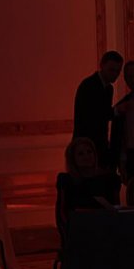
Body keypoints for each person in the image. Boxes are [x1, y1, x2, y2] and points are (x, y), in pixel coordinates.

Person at [56, 136, 121, 242]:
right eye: (80, 154)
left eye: (89, 152)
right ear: (73, 159)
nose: (86, 156)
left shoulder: (109, 180)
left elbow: (116, 210)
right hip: (78, 235)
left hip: (105, 233)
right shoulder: (67, 181)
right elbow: (61, 215)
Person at [73, 51, 123, 171]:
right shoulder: (88, 85)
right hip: (86, 145)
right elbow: (93, 116)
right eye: (112, 70)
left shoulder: (108, 88)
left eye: (118, 71)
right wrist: (116, 110)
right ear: (102, 65)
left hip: (97, 145)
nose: (115, 74)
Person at [110, 61, 134, 203]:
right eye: (129, 76)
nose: (132, 79)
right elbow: (122, 140)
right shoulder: (122, 107)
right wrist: (122, 163)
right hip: (132, 157)